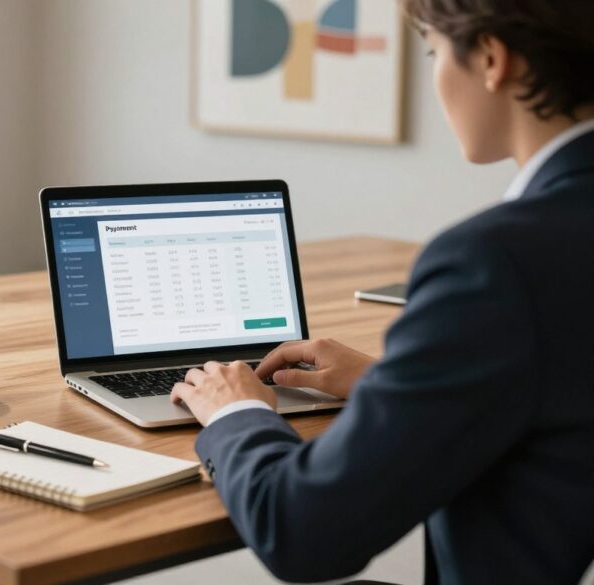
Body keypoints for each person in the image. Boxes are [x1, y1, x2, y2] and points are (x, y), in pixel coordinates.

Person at [169, 1, 594, 583]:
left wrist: (235, 411)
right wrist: (396, 387)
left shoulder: (494, 262)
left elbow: (301, 531)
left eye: (434, 52)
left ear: (492, 60)